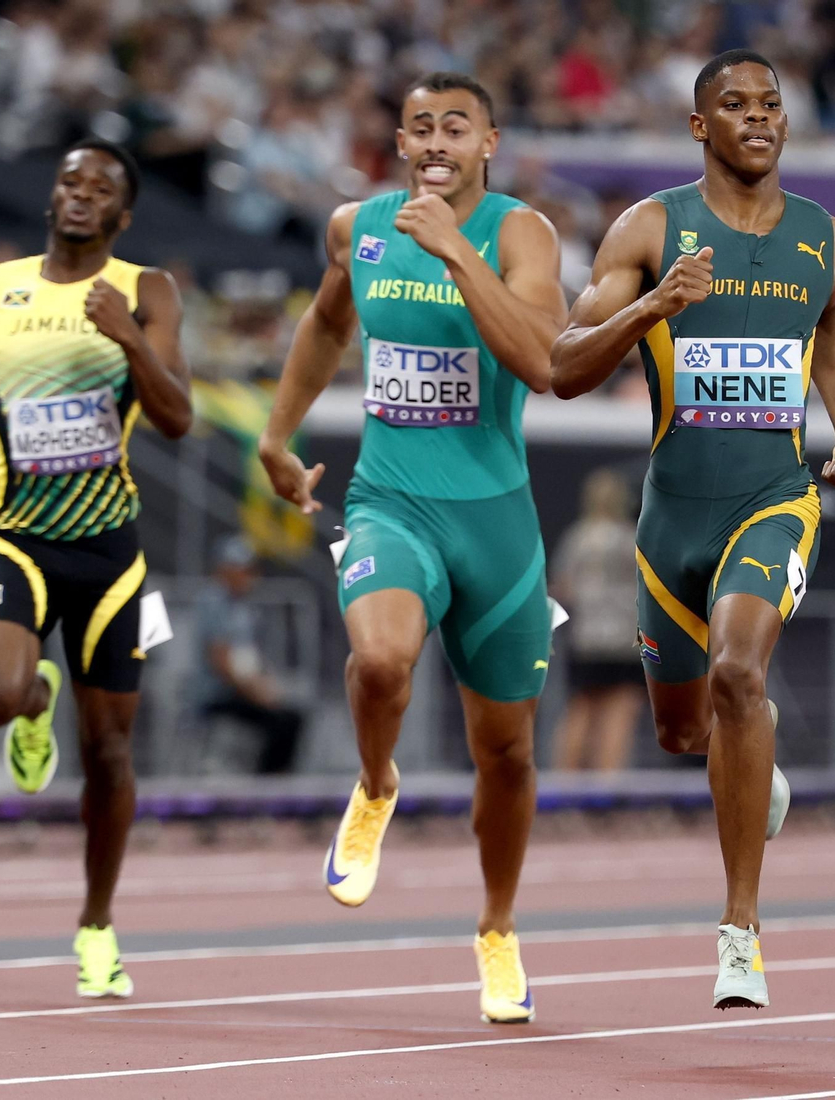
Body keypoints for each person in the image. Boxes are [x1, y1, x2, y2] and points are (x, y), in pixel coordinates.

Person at [550, 49, 835, 1010]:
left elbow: (832, 327)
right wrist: (656, 302)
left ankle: (740, 932)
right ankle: (754, 765)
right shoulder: (651, 229)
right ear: (701, 127)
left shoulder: (830, 238)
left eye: (772, 103)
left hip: (774, 497)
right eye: (734, 105)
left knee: (740, 671)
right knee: (683, 728)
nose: (758, 117)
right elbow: (565, 366)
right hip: (670, 522)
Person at [259, 72, 566, 1024]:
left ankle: (498, 929)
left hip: (496, 522)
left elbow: (545, 359)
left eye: (457, 127)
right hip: (391, 501)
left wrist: (454, 254)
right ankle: (376, 781)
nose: (437, 140)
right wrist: (277, 435)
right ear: (401, 141)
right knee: (380, 660)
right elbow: (324, 323)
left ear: (489, 143)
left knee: (506, 753)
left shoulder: (521, 233)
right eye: (421, 126)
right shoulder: (359, 227)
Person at [0, 140, 191, 999]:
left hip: (109, 554)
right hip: (15, 537)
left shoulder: (148, 292)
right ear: (52, 197)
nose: (81, 194)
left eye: (101, 187)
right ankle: (37, 699)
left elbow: (178, 416)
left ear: (122, 215)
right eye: (71, 180)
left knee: (109, 754)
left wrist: (131, 340)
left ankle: (97, 926)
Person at [550, 469, 645, 771]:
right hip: (625, 639)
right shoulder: (633, 539)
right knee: (620, 710)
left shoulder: (577, 539)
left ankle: (565, 783)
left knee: (580, 707)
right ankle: (607, 784)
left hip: (587, 639)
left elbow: (564, 588)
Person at [194, 535, 305, 775]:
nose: (249, 576)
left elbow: (251, 657)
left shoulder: (245, 607)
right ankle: (268, 783)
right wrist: (256, 693)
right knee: (282, 721)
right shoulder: (213, 602)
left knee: (292, 715)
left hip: (242, 687)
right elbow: (221, 661)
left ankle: (273, 778)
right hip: (218, 692)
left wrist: (267, 687)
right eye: (243, 569)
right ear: (226, 570)